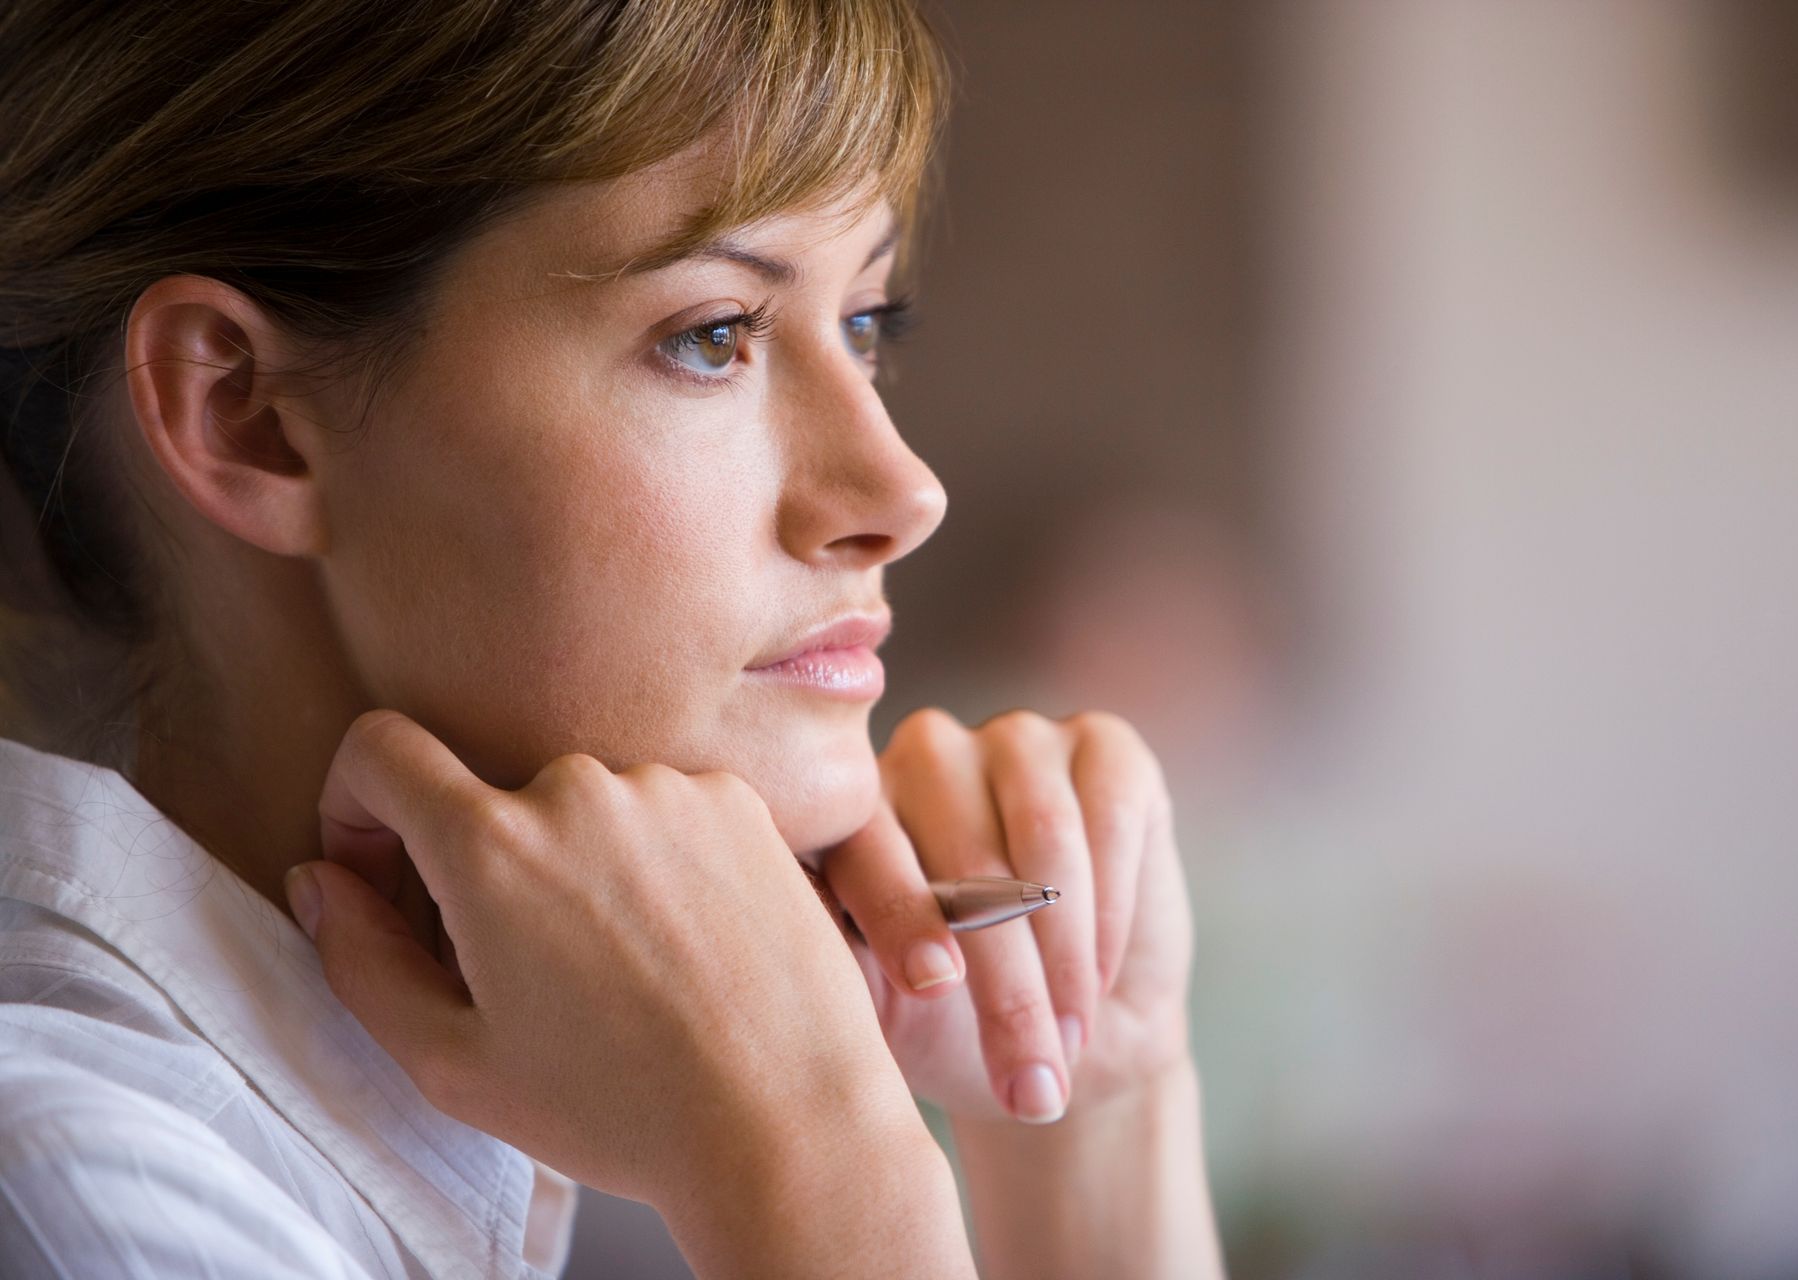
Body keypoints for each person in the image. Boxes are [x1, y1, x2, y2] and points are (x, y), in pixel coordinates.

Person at [0, 1, 1226, 1276]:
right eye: (714, 336)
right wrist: (819, 1164)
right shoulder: (82, 1190)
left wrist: (1087, 1115)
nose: (902, 491)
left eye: (867, 326)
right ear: (247, 416)